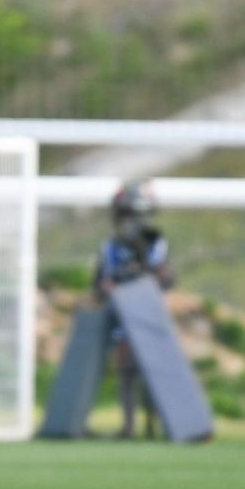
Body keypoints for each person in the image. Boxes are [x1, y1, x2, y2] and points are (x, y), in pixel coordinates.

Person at [93, 182, 174, 438]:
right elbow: (99, 283)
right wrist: (106, 287)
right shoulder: (110, 248)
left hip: (150, 317)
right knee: (126, 371)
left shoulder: (156, 245)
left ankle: (153, 425)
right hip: (122, 319)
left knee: (153, 373)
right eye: (127, 215)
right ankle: (128, 425)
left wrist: (150, 275)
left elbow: (166, 280)